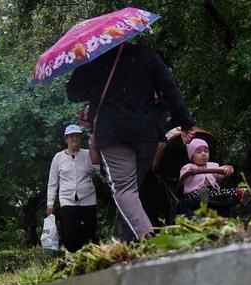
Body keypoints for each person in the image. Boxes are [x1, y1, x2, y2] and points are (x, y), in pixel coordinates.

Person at [67, 42, 198, 241]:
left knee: (124, 189)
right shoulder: (146, 54)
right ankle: (117, 242)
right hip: (148, 133)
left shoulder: (94, 60)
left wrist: (82, 66)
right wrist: (185, 121)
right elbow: (169, 88)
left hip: (113, 134)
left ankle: (149, 240)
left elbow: (74, 93)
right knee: (130, 191)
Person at [46, 124, 101, 252]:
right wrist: (50, 202)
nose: (74, 138)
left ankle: (92, 259)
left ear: (81, 138)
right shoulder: (58, 158)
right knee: (70, 233)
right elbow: (52, 183)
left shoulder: (88, 154)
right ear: (66, 139)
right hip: (67, 199)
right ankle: (72, 260)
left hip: (88, 199)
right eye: (71, 136)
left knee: (90, 233)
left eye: (77, 135)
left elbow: (99, 171)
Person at [179, 138, 246, 206]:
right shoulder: (188, 166)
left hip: (211, 192)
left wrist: (228, 169)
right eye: (199, 152)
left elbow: (220, 171)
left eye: (206, 151)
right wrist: (191, 171)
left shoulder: (212, 165)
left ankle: (239, 193)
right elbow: (184, 179)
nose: (203, 154)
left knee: (220, 192)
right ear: (192, 157)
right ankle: (204, 196)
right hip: (193, 193)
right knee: (199, 193)